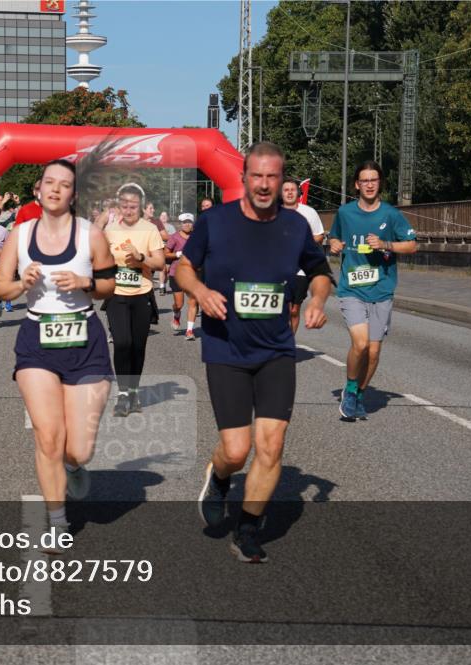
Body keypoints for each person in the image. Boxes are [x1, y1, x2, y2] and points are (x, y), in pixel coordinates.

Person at [176, 142, 332, 562]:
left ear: (282, 181)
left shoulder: (294, 226)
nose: (264, 185)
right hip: (225, 346)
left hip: (276, 349)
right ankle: (219, 476)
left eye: (272, 177)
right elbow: (183, 268)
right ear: (244, 177)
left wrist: (318, 300)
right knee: (236, 450)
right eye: (257, 176)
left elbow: (319, 270)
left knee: (271, 445)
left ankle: (247, 528)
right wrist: (201, 291)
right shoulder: (215, 221)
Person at [0, 158, 117, 533]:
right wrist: (21, 284)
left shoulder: (90, 235)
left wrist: (85, 283)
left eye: (64, 184)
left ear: (74, 194)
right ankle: (57, 522)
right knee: (48, 438)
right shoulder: (20, 235)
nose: (55, 189)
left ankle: (73, 465)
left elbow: (109, 285)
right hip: (37, 341)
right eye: (49, 182)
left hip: (85, 341)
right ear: (38, 189)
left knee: (79, 448)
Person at [329, 160, 417, 421]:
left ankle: (358, 393)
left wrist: (386, 244)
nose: (369, 185)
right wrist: (334, 244)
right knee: (360, 343)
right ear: (357, 185)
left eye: (373, 180)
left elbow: (412, 245)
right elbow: (334, 236)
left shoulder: (390, 214)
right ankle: (350, 390)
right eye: (364, 180)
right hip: (352, 289)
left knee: (374, 351)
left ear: (380, 183)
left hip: (381, 289)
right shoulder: (345, 212)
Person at [103, 183, 166, 417]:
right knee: (122, 343)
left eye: (133, 206)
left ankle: (133, 391)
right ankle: (122, 394)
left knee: (138, 347)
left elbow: (160, 263)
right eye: (125, 206)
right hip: (117, 295)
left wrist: (141, 258)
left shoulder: (150, 229)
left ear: (140, 206)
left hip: (142, 295)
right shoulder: (110, 230)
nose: (129, 210)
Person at [281, 178, 326, 335]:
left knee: (294, 310)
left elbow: (319, 235)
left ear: (298, 192)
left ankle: (290, 340)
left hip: (301, 270)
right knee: (284, 309)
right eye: (286, 190)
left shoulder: (309, 212)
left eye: (292, 190)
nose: (289, 193)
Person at [165, 213, 200, 340]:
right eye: (185, 222)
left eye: (189, 222)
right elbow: (165, 254)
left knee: (193, 301)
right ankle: (176, 314)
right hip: (176, 273)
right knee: (179, 304)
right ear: (180, 224)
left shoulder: (197, 237)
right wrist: (177, 254)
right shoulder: (174, 237)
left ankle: (189, 331)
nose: (187, 224)